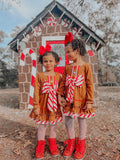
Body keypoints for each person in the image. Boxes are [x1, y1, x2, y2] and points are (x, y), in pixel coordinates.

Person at [58, 32, 95, 160]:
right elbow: (62, 82)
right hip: (69, 99)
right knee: (68, 119)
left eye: (69, 52)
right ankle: (71, 142)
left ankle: (81, 144)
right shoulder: (67, 67)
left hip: (81, 99)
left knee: (81, 120)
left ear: (77, 51)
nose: (67, 55)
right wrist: (60, 96)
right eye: (66, 52)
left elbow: (90, 84)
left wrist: (89, 101)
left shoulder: (86, 66)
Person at [29, 44, 63, 159]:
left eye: (50, 61)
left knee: (53, 126)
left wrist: (62, 100)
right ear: (42, 63)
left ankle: (52, 145)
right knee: (42, 126)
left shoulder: (59, 76)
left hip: (54, 105)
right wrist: (36, 106)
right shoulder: (40, 75)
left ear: (56, 62)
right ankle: (40, 145)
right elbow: (36, 92)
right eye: (45, 61)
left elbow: (61, 91)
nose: (48, 63)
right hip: (43, 105)